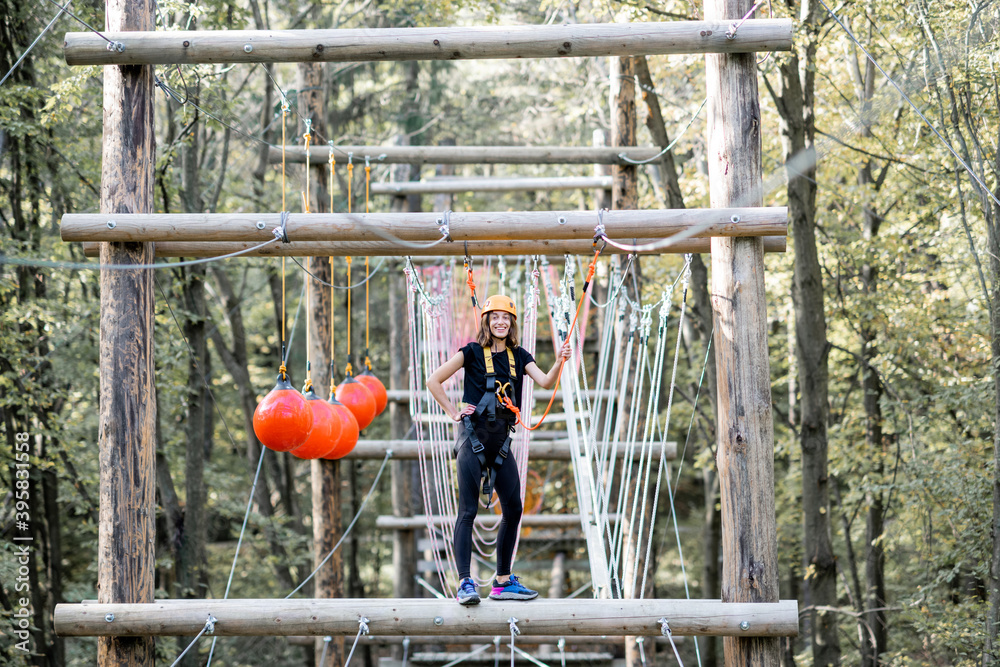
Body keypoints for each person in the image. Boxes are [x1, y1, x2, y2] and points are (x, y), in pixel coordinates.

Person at [427, 294, 571, 605]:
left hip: (503, 443)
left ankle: (502, 581)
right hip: (473, 439)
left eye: (505, 318)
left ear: (512, 323)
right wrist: (452, 411)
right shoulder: (470, 353)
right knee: (468, 511)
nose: (500, 322)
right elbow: (434, 380)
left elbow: (545, 382)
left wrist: (559, 360)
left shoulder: (520, 356)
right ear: (487, 322)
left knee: (514, 508)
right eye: (495, 317)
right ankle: (465, 583)